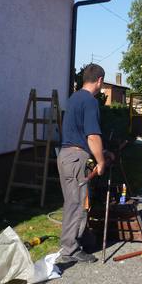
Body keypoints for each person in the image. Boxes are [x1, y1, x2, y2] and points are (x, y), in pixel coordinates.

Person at [57, 64, 107, 264]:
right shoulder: (90, 101)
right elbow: (92, 136)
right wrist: (101, 161)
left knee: (73, 201)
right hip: (76, 158)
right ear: (100, 80)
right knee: (77, 204)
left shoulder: (74, 98)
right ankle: (70, 249)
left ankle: (83, 239)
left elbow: (78, 132)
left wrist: (103, 152)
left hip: (66, 155)